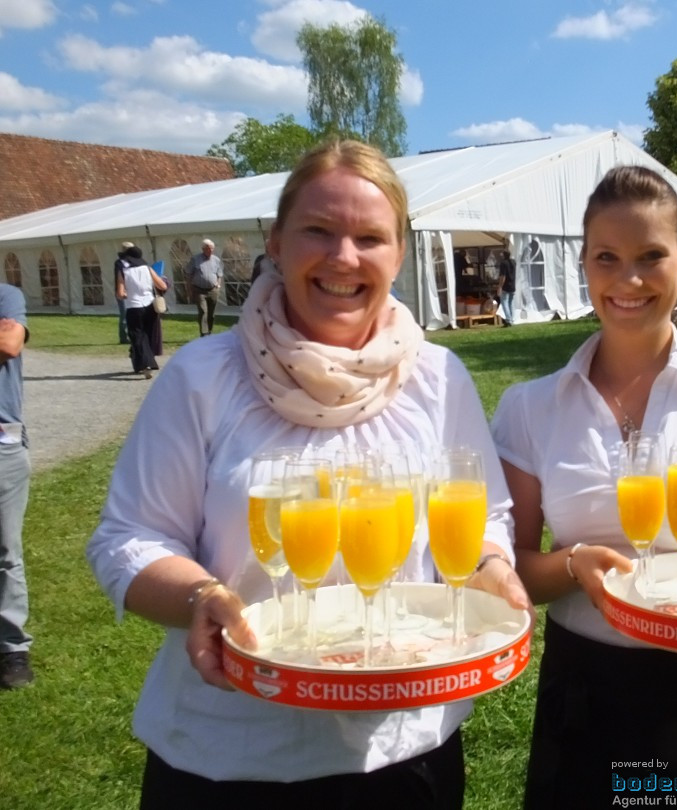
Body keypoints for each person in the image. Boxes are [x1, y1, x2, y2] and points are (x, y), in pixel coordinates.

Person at [86, 139, 528, 808]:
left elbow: (483, 514)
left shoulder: (439, 379)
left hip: (405, 749)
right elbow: (128, 538)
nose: (343, 258)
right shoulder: (204, 376)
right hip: (231, 755)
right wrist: (199, 598)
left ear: (399, 254)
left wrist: (490, 568)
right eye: (318, 231)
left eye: (369, 237)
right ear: (277, 242)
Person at [491, 165, 677, 808]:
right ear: (584, 264)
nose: (628, 280)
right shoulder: (529, 408)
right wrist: (575, 565)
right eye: (607, 258)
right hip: (588, 699)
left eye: (651, 256)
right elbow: (510, 568)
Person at [0, 284, 31, 689]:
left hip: (3, 444)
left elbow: (9, 344)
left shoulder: (7, 296)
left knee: (5, 551)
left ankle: (12, 648)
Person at [116, 246, 167, 379]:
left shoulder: (123, 271)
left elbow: (120, 294)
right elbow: (163, 286)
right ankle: (144, 363)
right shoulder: (147, 268)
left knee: (137, 336)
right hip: (150, 305)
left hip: (134, 306)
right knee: (148, 335)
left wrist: (128, 294)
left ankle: (146, 364)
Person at [185, 238, 224, 336]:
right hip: (199, 291)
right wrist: (189, 289)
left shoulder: (216, 260)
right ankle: (204, 333)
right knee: (203, 312)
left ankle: (209, 332)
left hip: (213, 291)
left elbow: (220, 274)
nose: (210, 250)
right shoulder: (195, 259)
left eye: (211, 248)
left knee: (211, 314)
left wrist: (218, 285)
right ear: (203, 249)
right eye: (208, 248)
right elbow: (188, 274)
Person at [114, 242, 134, 345]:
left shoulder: (133, 261)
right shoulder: (119, 263)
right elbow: (120, 278)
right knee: (124, 315)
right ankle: (123, 337)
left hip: (132, 290)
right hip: (122, 290)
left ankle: (131, 335)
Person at [495, 250, 516, 327]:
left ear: (504, 255)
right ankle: (512, 319)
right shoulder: (513, 262)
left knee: (504, 303)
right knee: (511, 303)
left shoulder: (503, 263)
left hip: (506, 286)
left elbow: (503, 276)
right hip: (512, 285)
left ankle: (508, 319)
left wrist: (500, 286)